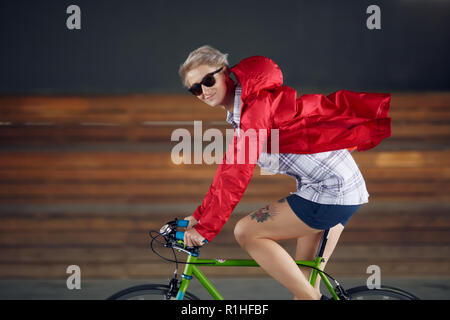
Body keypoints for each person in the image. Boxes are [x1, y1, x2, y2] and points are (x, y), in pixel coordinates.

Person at [177, 45, 391, 300]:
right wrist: (199, 217)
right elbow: (227, 169)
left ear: (225, 72)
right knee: (302, 290)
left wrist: (206, 230)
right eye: (195, 89)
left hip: (332, 189)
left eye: (208, 80)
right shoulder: (242, 110)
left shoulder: (255, 106)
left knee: (246, 232)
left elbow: (237, 172)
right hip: (328, 187)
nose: (204, 91)